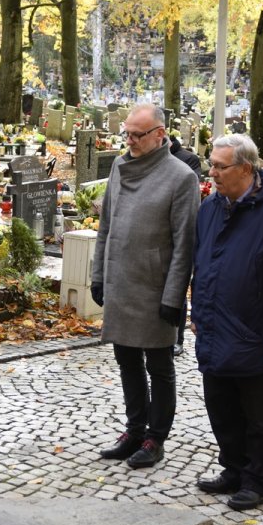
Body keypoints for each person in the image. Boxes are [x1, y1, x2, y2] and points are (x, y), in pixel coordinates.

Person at [190, 134, 263, 510]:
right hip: (214, 326)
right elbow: (202, 264)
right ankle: (233, 469)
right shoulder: (210, 208)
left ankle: (257, 481)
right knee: (220, 407)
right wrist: (197, 311)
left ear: (245, 168)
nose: (213, 173)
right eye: (211, 165)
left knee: (258, 416)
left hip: (254, 333)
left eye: (220, 167)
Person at [91, 104, 199, 469]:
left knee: (159, 364)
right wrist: (98, 275)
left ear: (160, 134)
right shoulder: (120, 168)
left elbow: (185, 243)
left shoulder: (181, 177)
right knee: (126, 360)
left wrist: (174, 298)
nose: (130, 141)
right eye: (127, 134)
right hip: (121, 281)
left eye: (138, 135)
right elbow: (105, 226)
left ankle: (156, 437)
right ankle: (135, 428)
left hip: (155, 287)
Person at [168, 135, 201, 357]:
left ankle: (177, 339)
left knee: (178, 289)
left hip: (179, 230)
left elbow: (190, 189)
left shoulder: (188, 160)